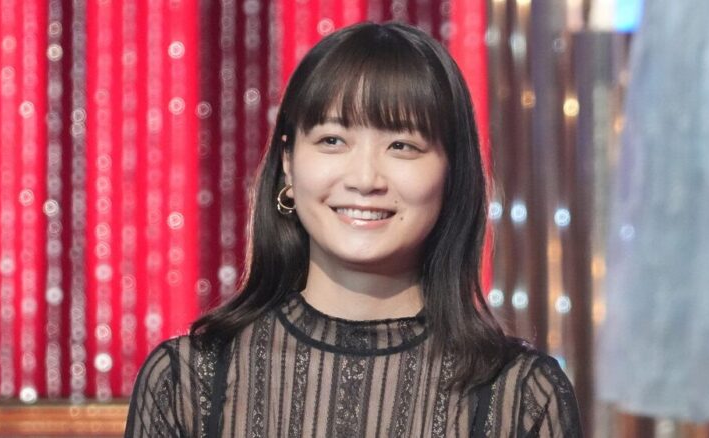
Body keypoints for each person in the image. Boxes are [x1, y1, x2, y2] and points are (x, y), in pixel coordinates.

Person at [125, 22, 582, 437]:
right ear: (288, 162)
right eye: (332, 140)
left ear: (452, 173)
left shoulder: (522, 396)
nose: (365, 179)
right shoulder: (188, 382)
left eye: (402, 145)